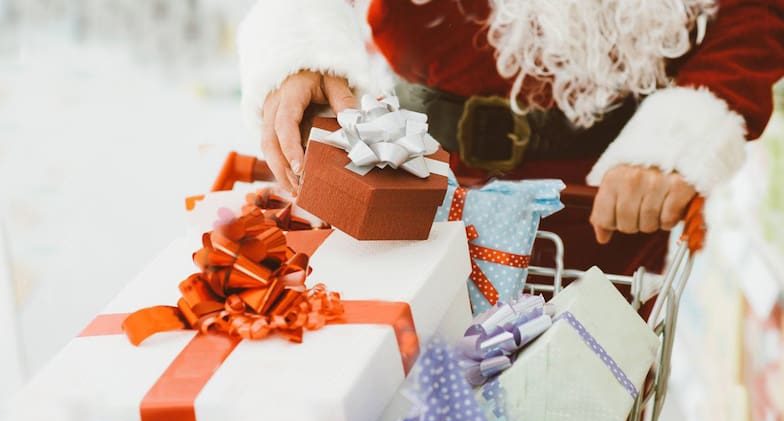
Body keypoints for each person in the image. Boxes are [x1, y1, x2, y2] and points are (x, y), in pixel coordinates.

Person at [236, 0, 784, 275]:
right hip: (420, 176)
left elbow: (756, 12)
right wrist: (300, 51)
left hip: (606, 203)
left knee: (580, 416)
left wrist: (678, 141)